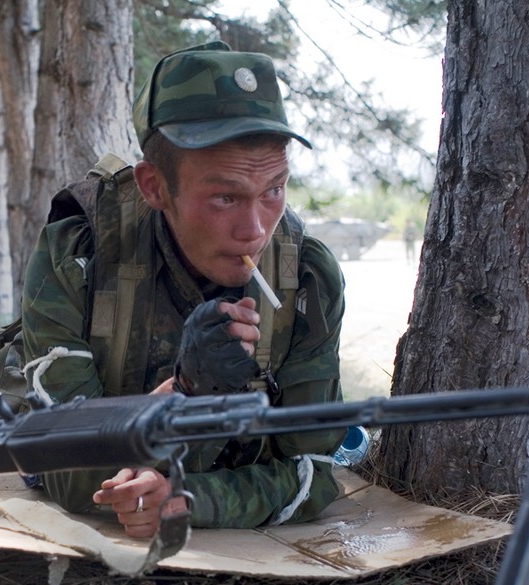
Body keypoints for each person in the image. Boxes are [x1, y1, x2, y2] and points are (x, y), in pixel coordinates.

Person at [20, 41, 347, 540]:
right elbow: (53, 457)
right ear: (154, 187)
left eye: (274, 190)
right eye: (225, 196)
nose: (255, 229)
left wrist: (188, 498)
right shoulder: (79, 253)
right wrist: (184, 394)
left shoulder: (306, 279)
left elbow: (314, 472)